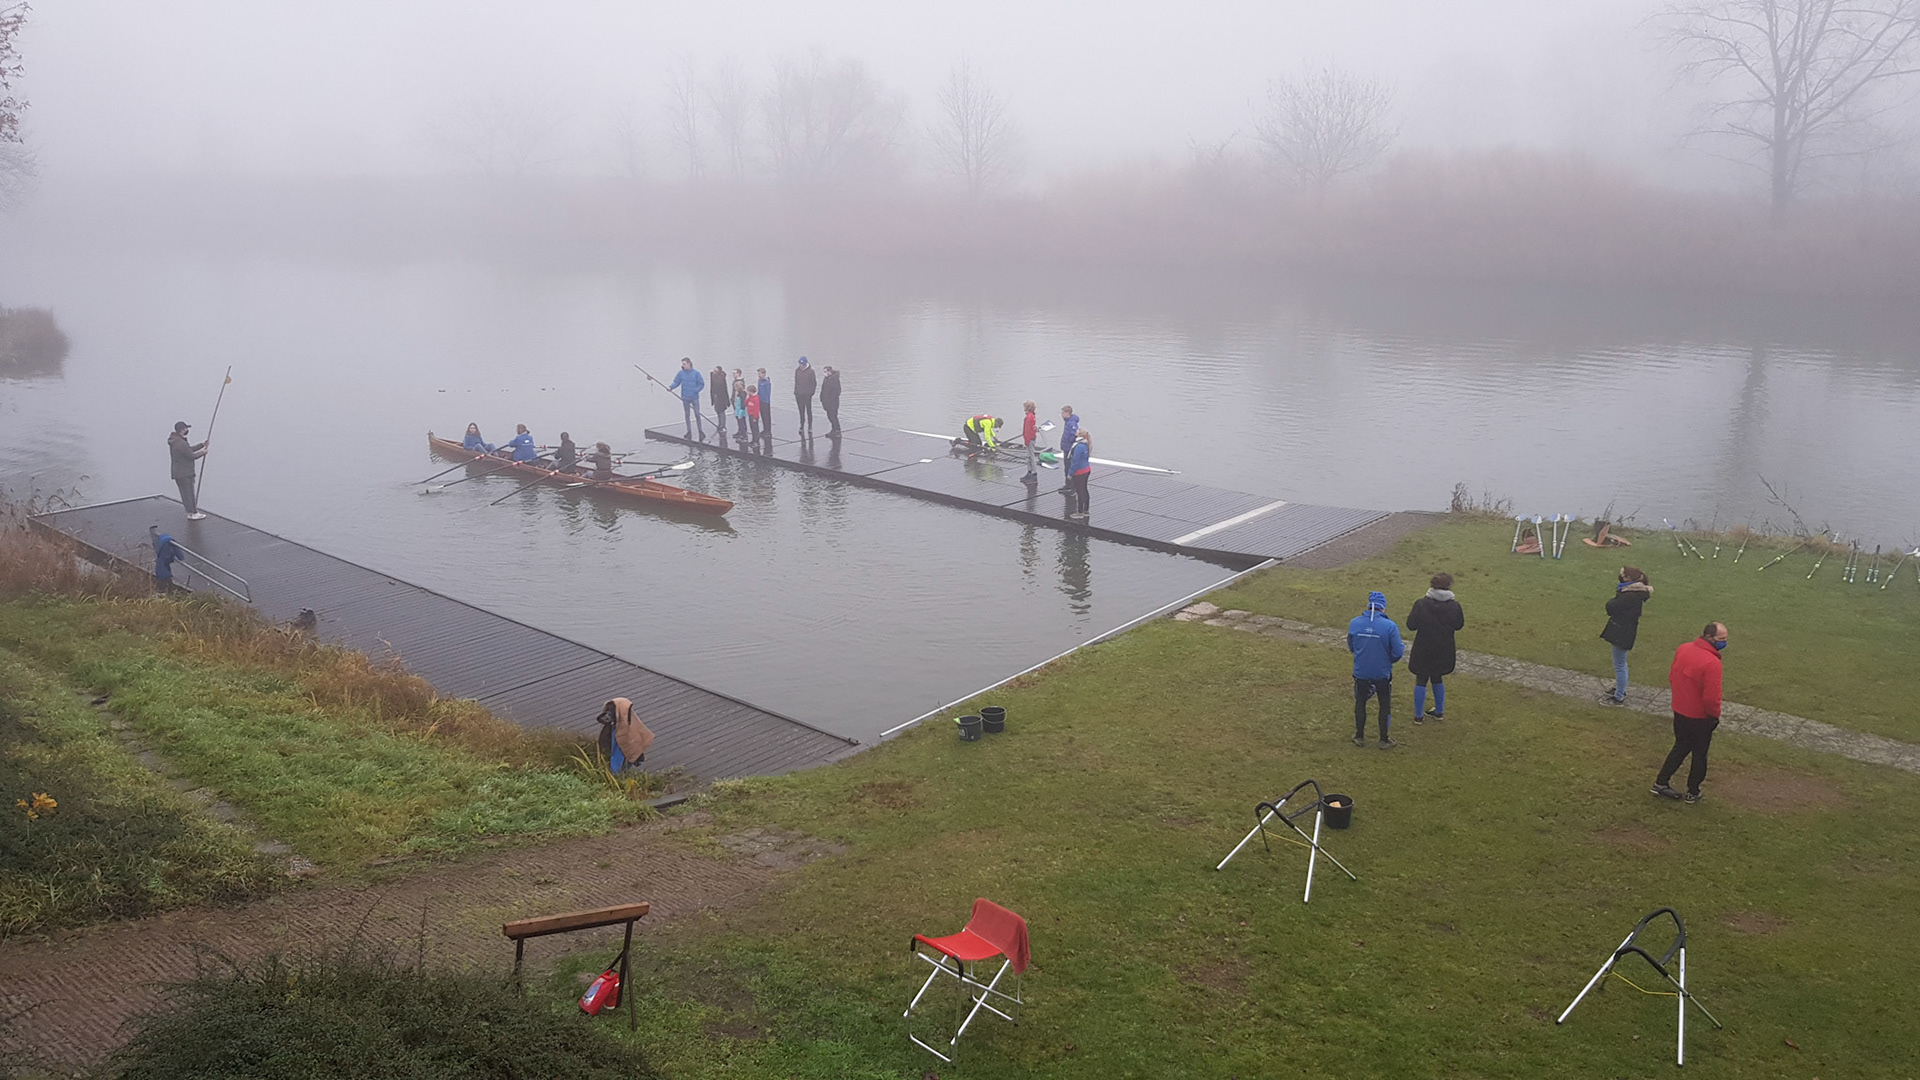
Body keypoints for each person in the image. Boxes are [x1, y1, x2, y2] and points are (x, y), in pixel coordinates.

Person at [1653, 622, 1728, 804]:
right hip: (1701, 718)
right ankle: (1693, 791)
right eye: (1722, 639)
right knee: (1700, 754)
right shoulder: (1712, 663)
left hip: (1680, 710)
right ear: (1709, 638)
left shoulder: (1683, 649)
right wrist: (1714, 716)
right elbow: (1711, 698)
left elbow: (1673, 676)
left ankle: (1660, 782)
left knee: (1680, 746)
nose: (1724, 643)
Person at [1347, 590, 1405, 748]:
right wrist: (1389, 660)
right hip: (1382, 672)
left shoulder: (1355, 623)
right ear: (1383, 607)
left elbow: (1351, 646)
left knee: (1360, 702)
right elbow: (1398, 651)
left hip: (1361, 672)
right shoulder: (1390, 626)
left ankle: (1359, 736)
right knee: (1384, 704)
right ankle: (1384, 739)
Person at [1406, 573, 1465, 722]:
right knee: (1437, 678)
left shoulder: (1421, 604)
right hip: (1444, 649)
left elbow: (1411, 625)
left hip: (1423, 648)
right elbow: (1459, 625)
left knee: (1421, 679)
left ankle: (1418, 716)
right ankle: (1439, 712)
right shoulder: (1454, 606)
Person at [1599, 566, 1652, 705]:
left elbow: (1611, 606)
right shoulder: (1634, 593)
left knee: (1620, 664)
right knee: (1621, 663)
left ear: (1628, 578)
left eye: (1622, 573)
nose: (1620, 574)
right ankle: (1620, 688)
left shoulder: (1629, 596)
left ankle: (1619, 696)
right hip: (1624, 629)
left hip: (1622, 632)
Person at [595, 697, 656, 773]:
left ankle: (619, 774)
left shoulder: (630, 725)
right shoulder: (622, 723)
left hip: (621, 750)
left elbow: (634, 741)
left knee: (620, 764)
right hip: (617, 747)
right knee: (618, 763)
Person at [167, 421, 209, 520]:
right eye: (186, 428)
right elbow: (191, 456)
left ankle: (190, 512)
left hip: (178, 473)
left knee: (185, 493)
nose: (187, 430)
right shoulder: (180, 443)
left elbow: (188, 449)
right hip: (185, 473)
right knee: (189, 493)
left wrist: (201, 445)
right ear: (182, 430)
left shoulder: (176, 441)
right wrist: (203, 452)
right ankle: (193, 513)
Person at [663, 357, 706, 439]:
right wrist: (671, 387)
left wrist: (695, 390)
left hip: (694, 397)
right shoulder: (680, 373)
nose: (682, 365)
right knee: (687, 415)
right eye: (682, 364)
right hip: (685, 397)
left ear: (689, 364)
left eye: (684, 364)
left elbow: (701, 384)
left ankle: (700, 431)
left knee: (697, 414)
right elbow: (676, 382)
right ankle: (689, 431)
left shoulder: (696, 373)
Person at [149, 526, 186, 592]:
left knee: (163, 581)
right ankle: (167, 591)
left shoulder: (160, 549)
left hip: (161, 571)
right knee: (166, 581)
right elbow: (177, 551)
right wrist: (181, 557)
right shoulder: (170, 544)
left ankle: (165, 591)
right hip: (164, 573)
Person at [1067, 428, 1092, 519]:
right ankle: (1086, 510)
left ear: (1079, 435)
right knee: (1084, 489)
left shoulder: (1078, 446)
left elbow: (1075, 461)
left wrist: (1070, 473)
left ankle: (1080, 512)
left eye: (1077, 432)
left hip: (1079, 472)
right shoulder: (1086, 445)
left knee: (1079, 491)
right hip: (1086, 469)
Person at [1058, 405, 1080, 492]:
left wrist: (1069, 444)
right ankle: (1068, 484)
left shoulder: (1071, 423)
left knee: (1069, 467)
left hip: (1069, 448)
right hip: (1066, 447)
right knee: (1067, 466)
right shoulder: (1068, 422)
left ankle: (1071, 486)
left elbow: (1074, 434)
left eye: (1063, 413)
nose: (1061, 415)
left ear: (1067, 413)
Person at [793, 356, 817, 435]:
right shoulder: (797, 371)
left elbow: (814, 383)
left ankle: (810, 426)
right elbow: (796, 382)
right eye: (800, 364)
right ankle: (801, 426)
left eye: (802, 365)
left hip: (807, 395)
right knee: (801, 411)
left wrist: (811, 393)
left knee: (809, 410)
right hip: (799, 394)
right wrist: (796, 392)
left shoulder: (811, 372)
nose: (801, 366)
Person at [1020, 400, 1040, 482]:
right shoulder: (1032, 416)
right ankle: (1029, 472)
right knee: (1028, 456)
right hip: (1031, 438)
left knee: (1031, 456)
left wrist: (1026, 442)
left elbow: (1028, 430)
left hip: (1029, 439)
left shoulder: (1029, 417)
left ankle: (1034, 473)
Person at [820, 365, 842, 435]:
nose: (825, 373)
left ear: (830, 371)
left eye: (826, 371)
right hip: (826, 402)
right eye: (824, 372)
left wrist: (831, 399)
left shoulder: (835, 380)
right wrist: (821, 398)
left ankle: (837, 430)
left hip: (833, 403)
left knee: (833, 416)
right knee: (830, 416)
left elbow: (837, 391)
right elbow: (823, 390)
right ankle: (833, 429)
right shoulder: (826, 379)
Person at [709, 363, 730, 434]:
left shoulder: (721, 378)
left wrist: (727, 401)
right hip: (716, 397)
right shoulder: (713, 377)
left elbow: (725, 389)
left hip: (721, 398)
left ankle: (723, 426)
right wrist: (712, 398)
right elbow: (712, 388)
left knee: (722, 412)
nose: (714, 372)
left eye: (715, 371)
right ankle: (720, 424)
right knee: (717, 410)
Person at [756, 368, 774, 437]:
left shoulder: (767, 382)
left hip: (765, 401)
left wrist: (766, 401)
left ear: (763, 374)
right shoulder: (759, 381)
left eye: (759, 374)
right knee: (763, 416)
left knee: (767, 416)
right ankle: (764, 429)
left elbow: (768, 393)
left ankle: (768, 431)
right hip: (760, 400)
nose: (758, 375)